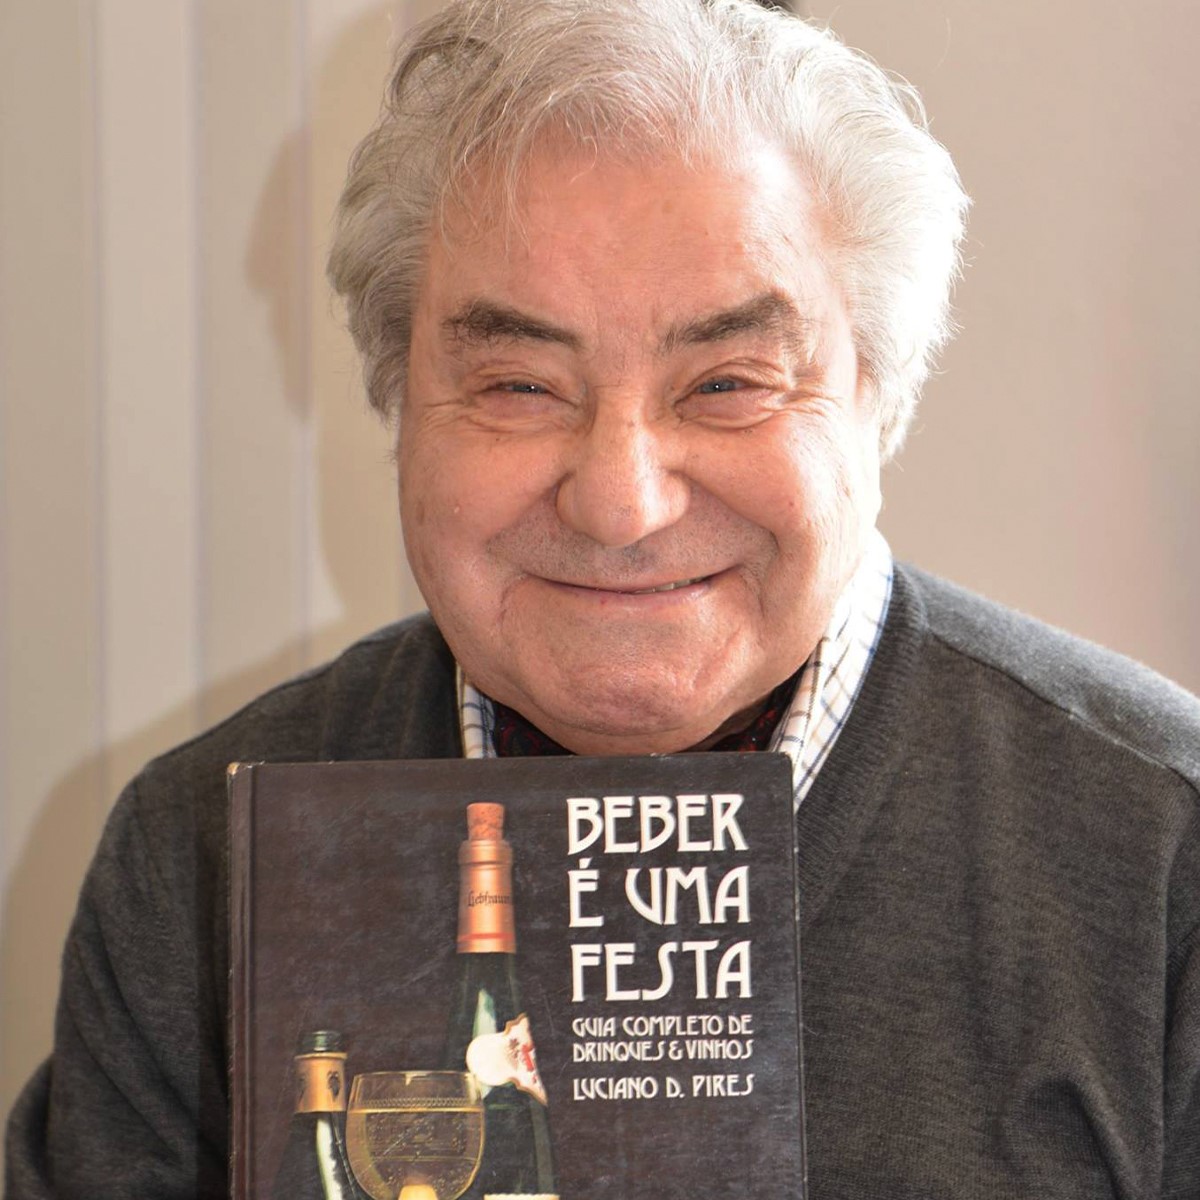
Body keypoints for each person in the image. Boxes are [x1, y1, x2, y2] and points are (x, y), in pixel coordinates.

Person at [6, 0, 1199, 1196]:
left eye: (728, 382)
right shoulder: (199, 856)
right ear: (399, 403)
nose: (621, 505)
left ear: (877, 400)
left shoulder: (1162, 853)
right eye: (520, 385)